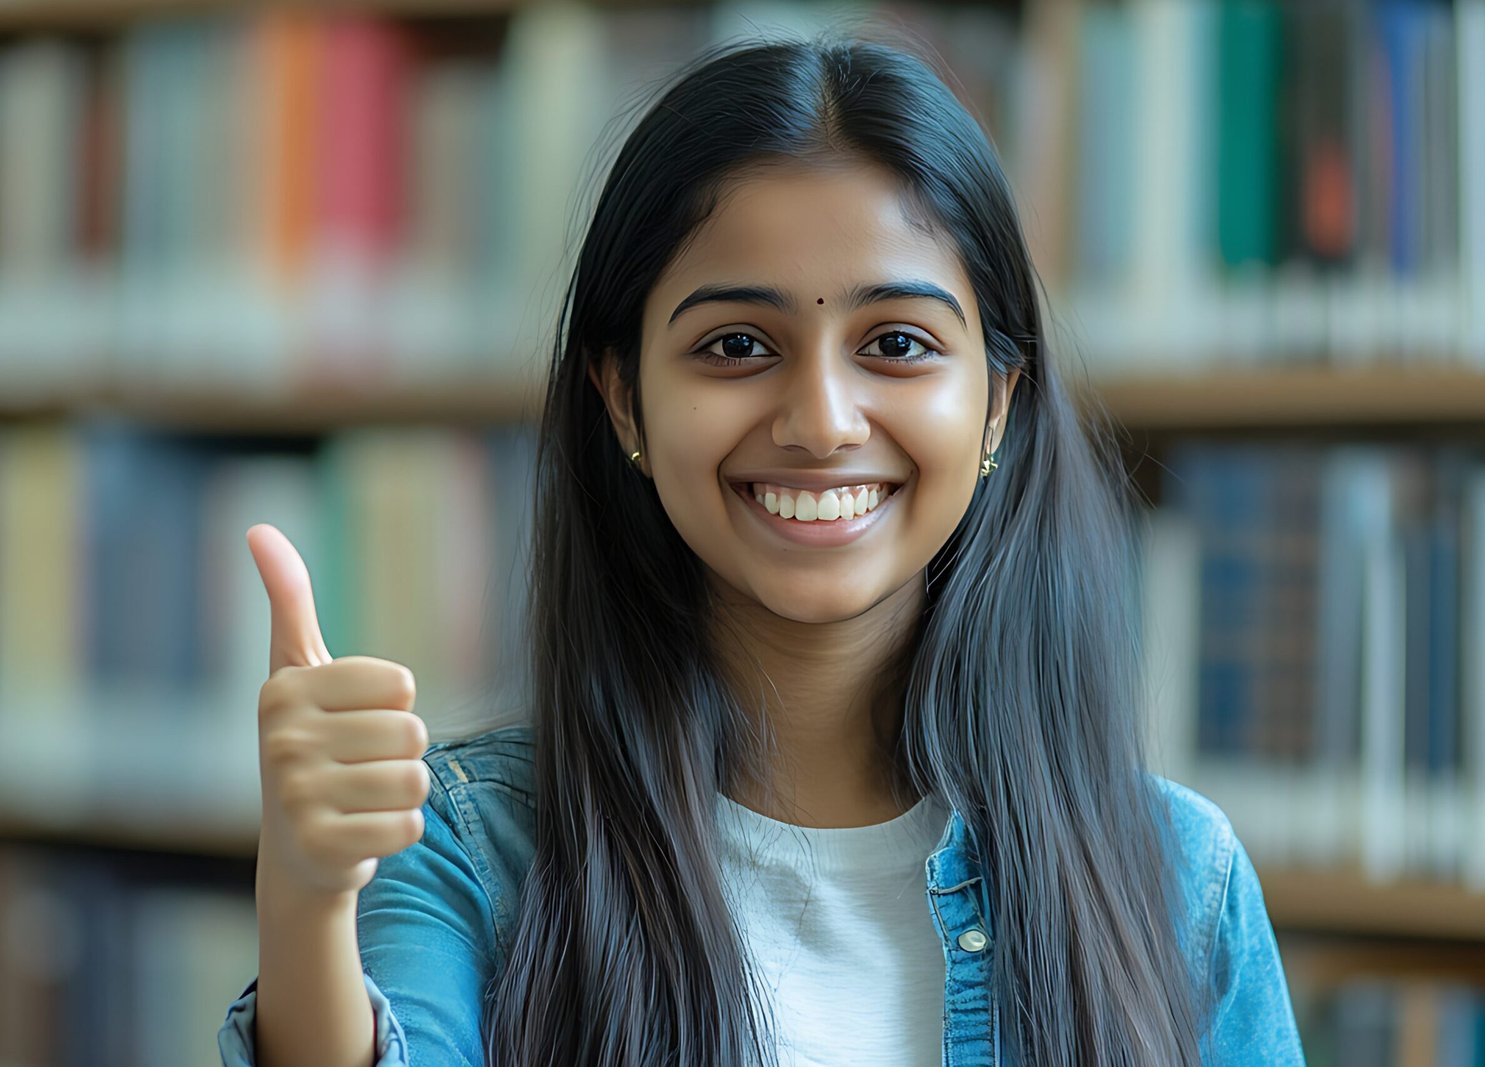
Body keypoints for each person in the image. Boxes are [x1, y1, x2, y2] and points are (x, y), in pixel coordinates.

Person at [218, 35, 1305, 1067]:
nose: (822, 421)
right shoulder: (468, 848)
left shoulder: (1182, 884)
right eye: (737, 345)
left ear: (996, 402)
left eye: (898, 343)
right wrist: (306, 903)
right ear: (623, 397)